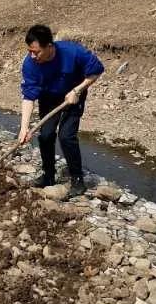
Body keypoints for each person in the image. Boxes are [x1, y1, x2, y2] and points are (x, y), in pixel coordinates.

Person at [18, 24, 104, 197]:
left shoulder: (73, 52)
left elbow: (96, 71)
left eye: (36, 52)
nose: (32, 56)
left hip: (72, 96)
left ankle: (78, 180)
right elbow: (29, 96)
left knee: (66, 136)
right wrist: (24, 127)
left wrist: (78, 90)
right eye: (30, 51)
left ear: (49, 46)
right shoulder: (30, 64)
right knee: (46, 135)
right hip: (48, 97)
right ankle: (48, 176)